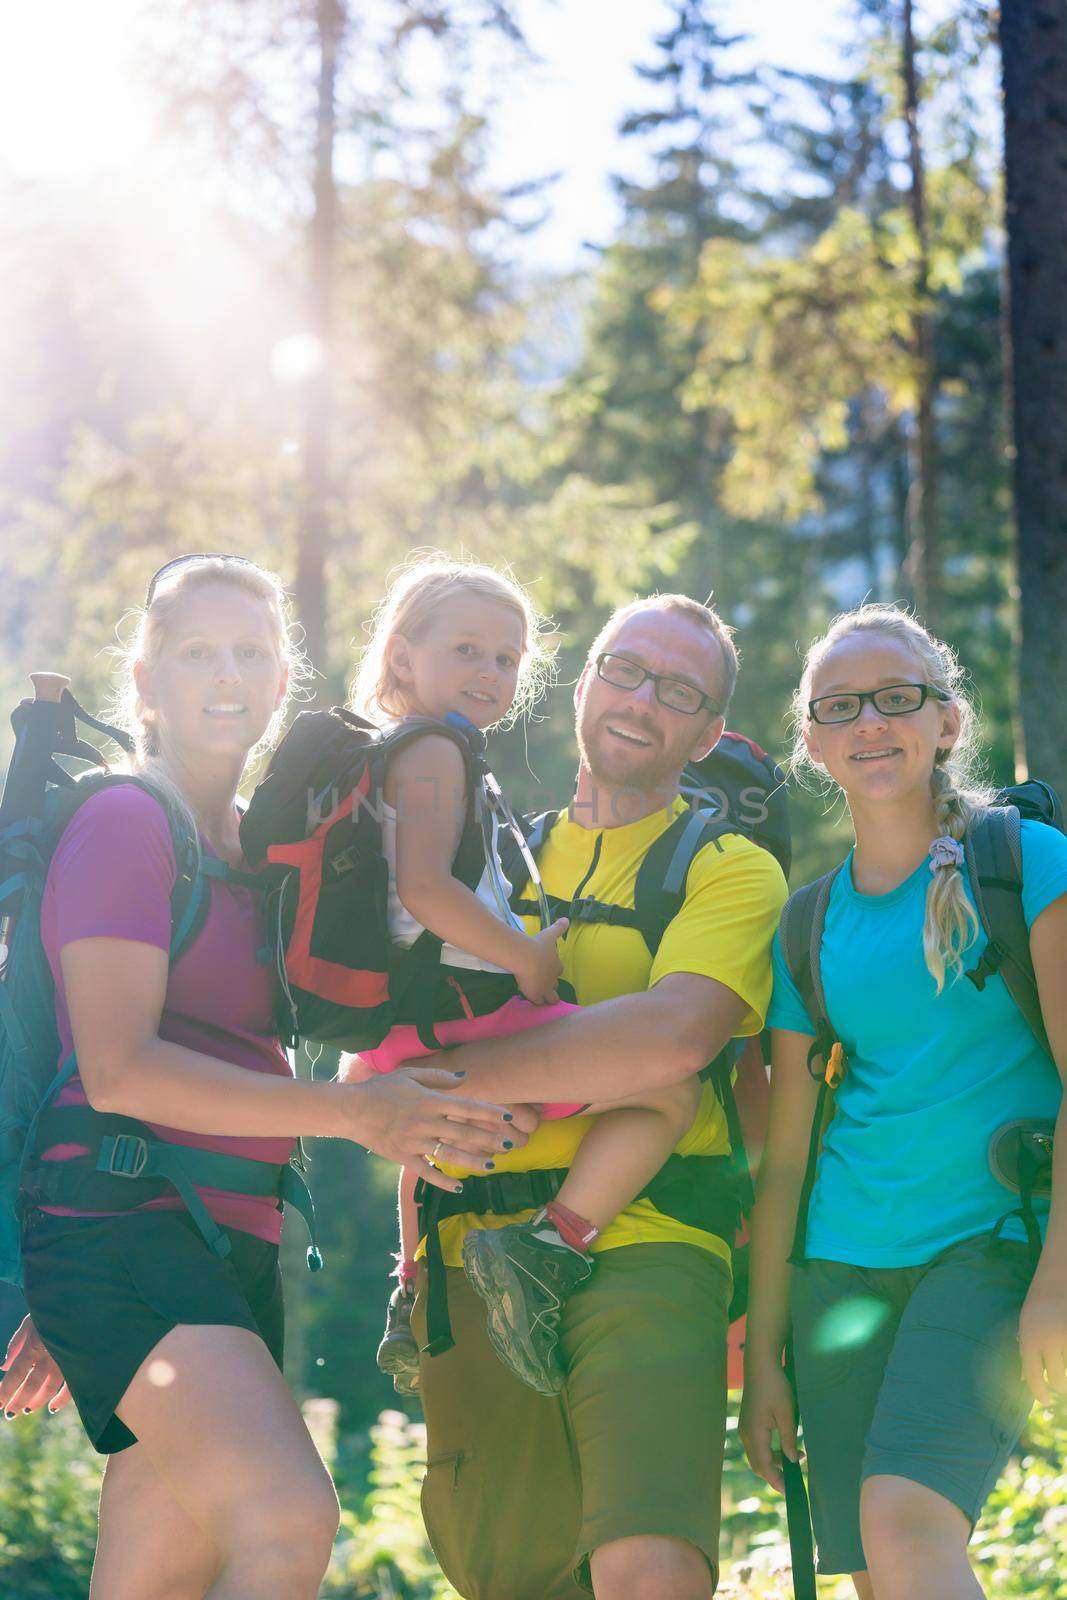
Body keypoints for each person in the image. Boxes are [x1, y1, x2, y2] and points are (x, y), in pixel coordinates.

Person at [0, 553, 522, 1600]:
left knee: (164, 1567)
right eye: (195, 652)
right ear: (145, 679)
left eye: (250, 652)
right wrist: (354, 1113)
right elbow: (118, 1068)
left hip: (219, 1243)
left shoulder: (259, 852)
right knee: (287, 1517)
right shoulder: (124, 823)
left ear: (283, 679)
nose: (225, 674)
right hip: (123, 1222)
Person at [400, 592, 788, 1600]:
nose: (639, 699)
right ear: (584, 683)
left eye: (677, 690)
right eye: (623, 669)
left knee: (646, 1569)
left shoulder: (727, 869)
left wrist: (426, 1091)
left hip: (651, 1240)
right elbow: (395, 1029)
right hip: (465, 1247)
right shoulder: (482, 859)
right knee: (511, 1582)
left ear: (705, 732)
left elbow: (673, 1037)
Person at [741, 605, 1067, 1600]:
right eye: (839, 707)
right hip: (835, 1273)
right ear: (811, 741)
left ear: (945, 723)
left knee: (905, 1517)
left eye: (894, 699)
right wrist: (762, 1358)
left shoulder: (1024, 864)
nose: (868, 723)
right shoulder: (807, 925)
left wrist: (1056, 1279)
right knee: (875, 1573)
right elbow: (786, 1162)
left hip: (989, 1245)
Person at [341, 555, 702, 1397]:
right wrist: (528, 958)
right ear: (402, 658)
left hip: (409, 1014)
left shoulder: (398, 751)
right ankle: (552, 1246)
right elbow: (426, 889)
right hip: (453, 1003)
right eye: (466, 650)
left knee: (478, 1119)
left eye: (507, 659)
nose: (490, 673)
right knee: (665, 1093)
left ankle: (409, 1286)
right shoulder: (432, 751)